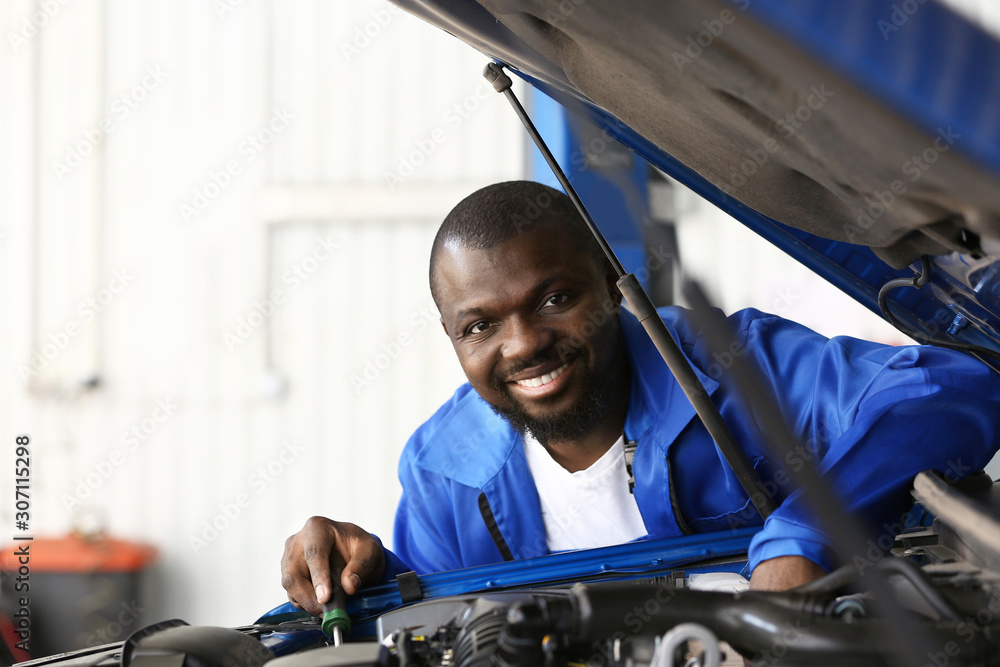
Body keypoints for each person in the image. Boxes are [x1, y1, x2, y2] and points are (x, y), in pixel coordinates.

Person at [280, 180, 1000, 615]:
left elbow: (949, 389)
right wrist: (370, 578)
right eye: (481, 325)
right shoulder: (444, 473)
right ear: (451, 337)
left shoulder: (738, 368)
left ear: (612, 287)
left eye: (556, 297)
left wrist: (803, 534)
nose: (524, 343)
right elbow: (436, 613)